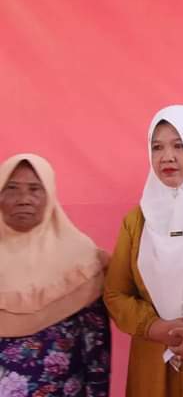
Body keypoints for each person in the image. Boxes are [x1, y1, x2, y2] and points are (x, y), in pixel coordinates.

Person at [104, 104, 183, 396]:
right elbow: (116, 294)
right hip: (154, 361)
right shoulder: (137, 221)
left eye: (179, 145)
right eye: (157, 147)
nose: (167, 156)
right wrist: (156, 327)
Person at [0, 153, 111, 396]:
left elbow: (96, 345)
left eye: (34, 189)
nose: (23, 199)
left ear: (49, 195)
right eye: (12, 188)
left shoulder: (80, 257)